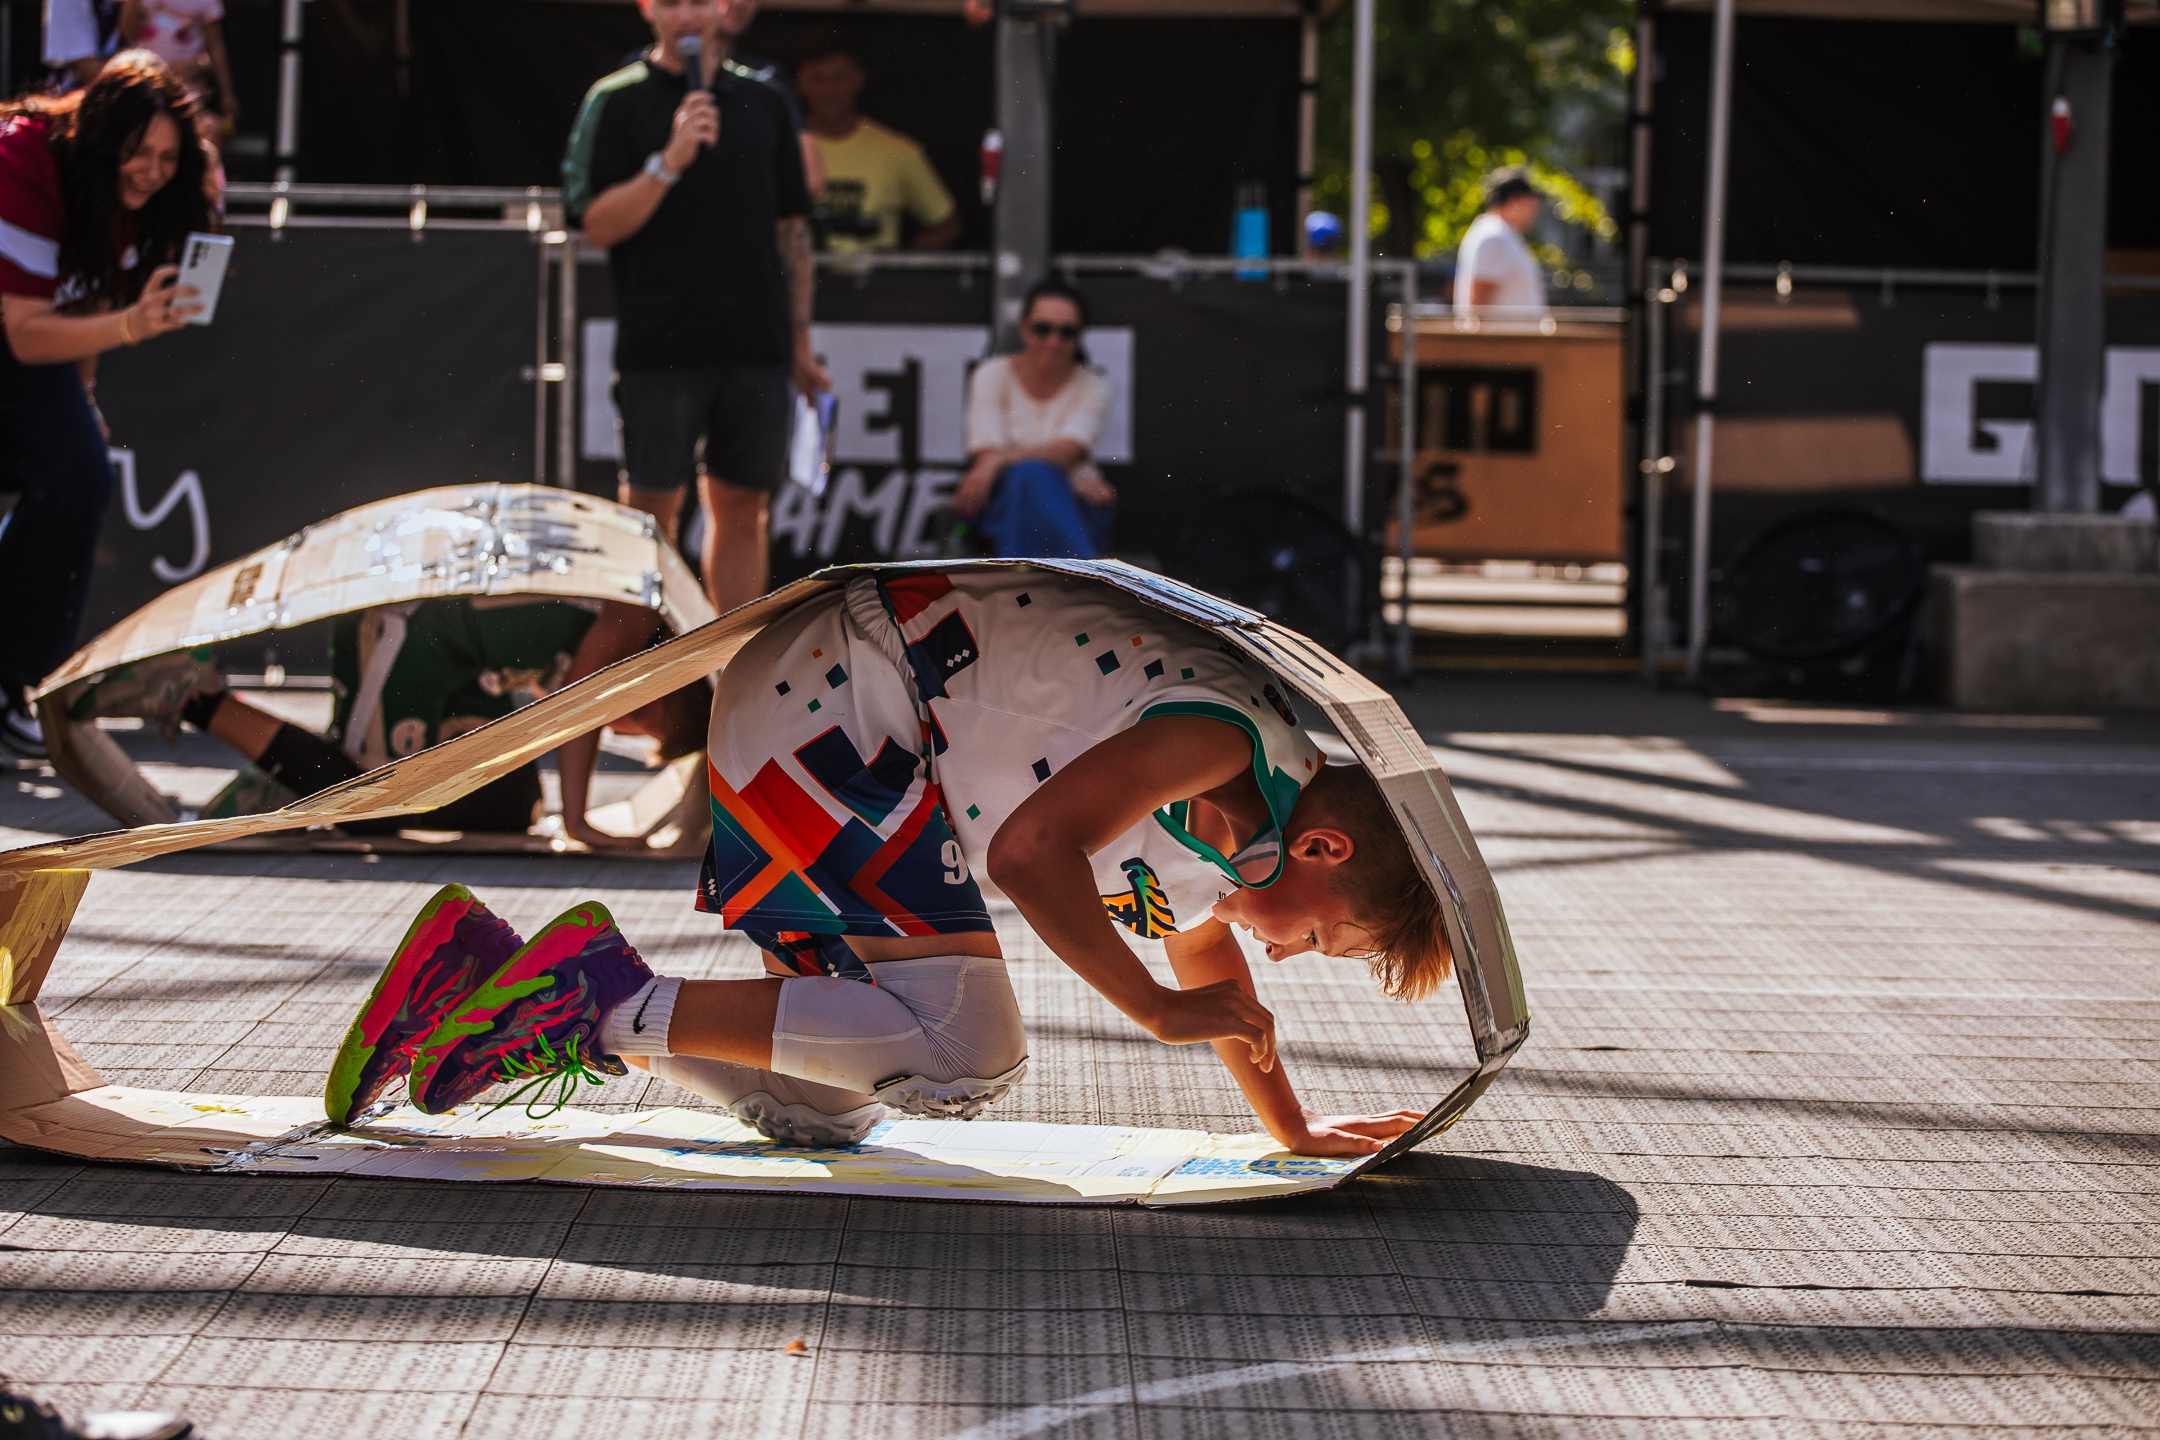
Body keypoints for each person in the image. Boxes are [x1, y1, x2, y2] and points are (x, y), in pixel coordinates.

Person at [322, 567, 1451, 1161]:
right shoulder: (1220, 740)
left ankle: (485, 973)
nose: (1292, 956)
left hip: (840, 726)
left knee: (829, 1104)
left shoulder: (1246, 828)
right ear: (1324, 847)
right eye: (1323, 938)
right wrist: (1153, 1011)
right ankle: (596, 1001)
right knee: (965, 1052)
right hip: (840, 700)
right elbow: (1031, 854)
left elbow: (1214, 975)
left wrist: (1290, 1127)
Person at [561, 0, 828, 618]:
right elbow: (595, 224)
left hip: (756, 345)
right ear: (647, 8)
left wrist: (799, 344)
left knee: (742, 508)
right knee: (651, 514)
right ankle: (639, 662)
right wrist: (668, 161)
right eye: (672, 2)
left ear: (724, 8)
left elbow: (792, 231)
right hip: (661, 346)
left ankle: (729, 660)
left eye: (700, 1)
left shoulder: (765, 99)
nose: (687, 15)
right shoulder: (616, 99)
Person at [68, 597, 707, 844]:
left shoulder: (630, 630)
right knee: (369, 803)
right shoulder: (638, 618)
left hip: (456, 659)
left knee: (512, 800)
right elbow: (584, 704)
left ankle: (293, 769)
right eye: (645, 723)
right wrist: (578, 822)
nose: (623, 726)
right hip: (416, 633)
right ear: (662, 697)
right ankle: (194, 695)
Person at [0, 51, 209, 759]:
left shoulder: (124, 198)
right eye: (138, 152)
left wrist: (84, 398)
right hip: (14, 337)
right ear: (99, 138)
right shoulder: (25, 160)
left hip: (24, 349)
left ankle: (19, 682)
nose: (151, 170)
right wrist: (130, 327)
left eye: (168, 157)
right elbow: (25, 332)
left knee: (80, 473)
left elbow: (84, 299)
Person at [954, 278, 1115, 559]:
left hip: (1071, 502)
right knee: (1030, 478)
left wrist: (1000, 461)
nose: (1053, 342)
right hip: (1011, 499)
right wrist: (1064, 474)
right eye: (1043, 329)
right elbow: (985, 451)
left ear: (1080, 337)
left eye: (1067, 332)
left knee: (1032, 477)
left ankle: (1033, 579)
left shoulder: (1093, 385)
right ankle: (1082, 572)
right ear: (1023, 329)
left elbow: (1069, 450)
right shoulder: (991, 374)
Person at [795, 29, 958, 254]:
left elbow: (946, 225)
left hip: (873, 276)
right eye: (817, 79)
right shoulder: (781, 149)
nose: (828, 91)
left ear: (858, 79)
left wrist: (900, 267)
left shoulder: (898, 151)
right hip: (798, 275)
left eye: (838, 79)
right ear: (800, 83)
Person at [118, 0, 234, 134]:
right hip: (144, 88)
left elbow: (215, 47)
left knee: (209, 131)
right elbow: (127, 35)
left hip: (188, 90)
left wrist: (226, 94)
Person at [1454, 166, 1547, 318]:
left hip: (1513, 333)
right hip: (1500, 334)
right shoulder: (1494, 237)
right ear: (1514, 201)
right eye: (1531, 204)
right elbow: (1477, 310)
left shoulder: (1504, 234)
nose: (1534, 211)